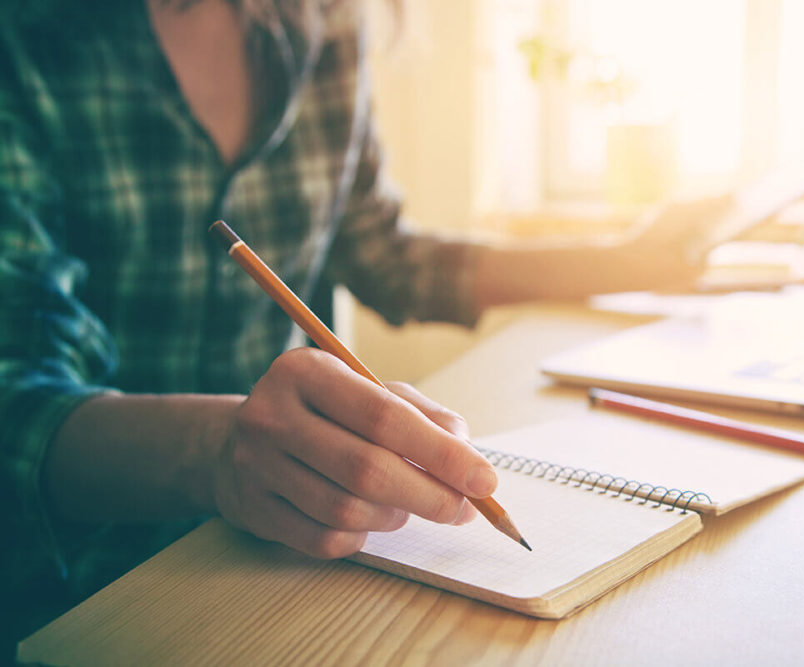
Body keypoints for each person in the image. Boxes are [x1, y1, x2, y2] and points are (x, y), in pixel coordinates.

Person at [0, 0, 728, 654]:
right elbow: (17, 404)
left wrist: (627, 260)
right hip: (75, 594)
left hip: (286, 564)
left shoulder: (324, 22)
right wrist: (220, 450)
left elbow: (389, 256)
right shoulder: (23, 37)